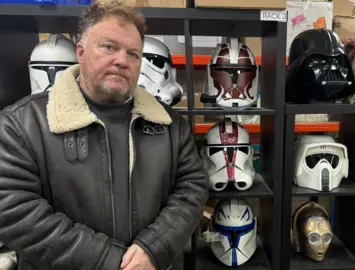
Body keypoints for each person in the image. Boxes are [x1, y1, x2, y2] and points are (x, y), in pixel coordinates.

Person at [0, 2, 209, 270]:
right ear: (81, 52)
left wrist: (154, 248)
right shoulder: (23, 124)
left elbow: (192, 190)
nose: (122, 60)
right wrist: (108, 262)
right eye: (109, 47)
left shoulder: (169, 124)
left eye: (133, 54)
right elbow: (14, 210)